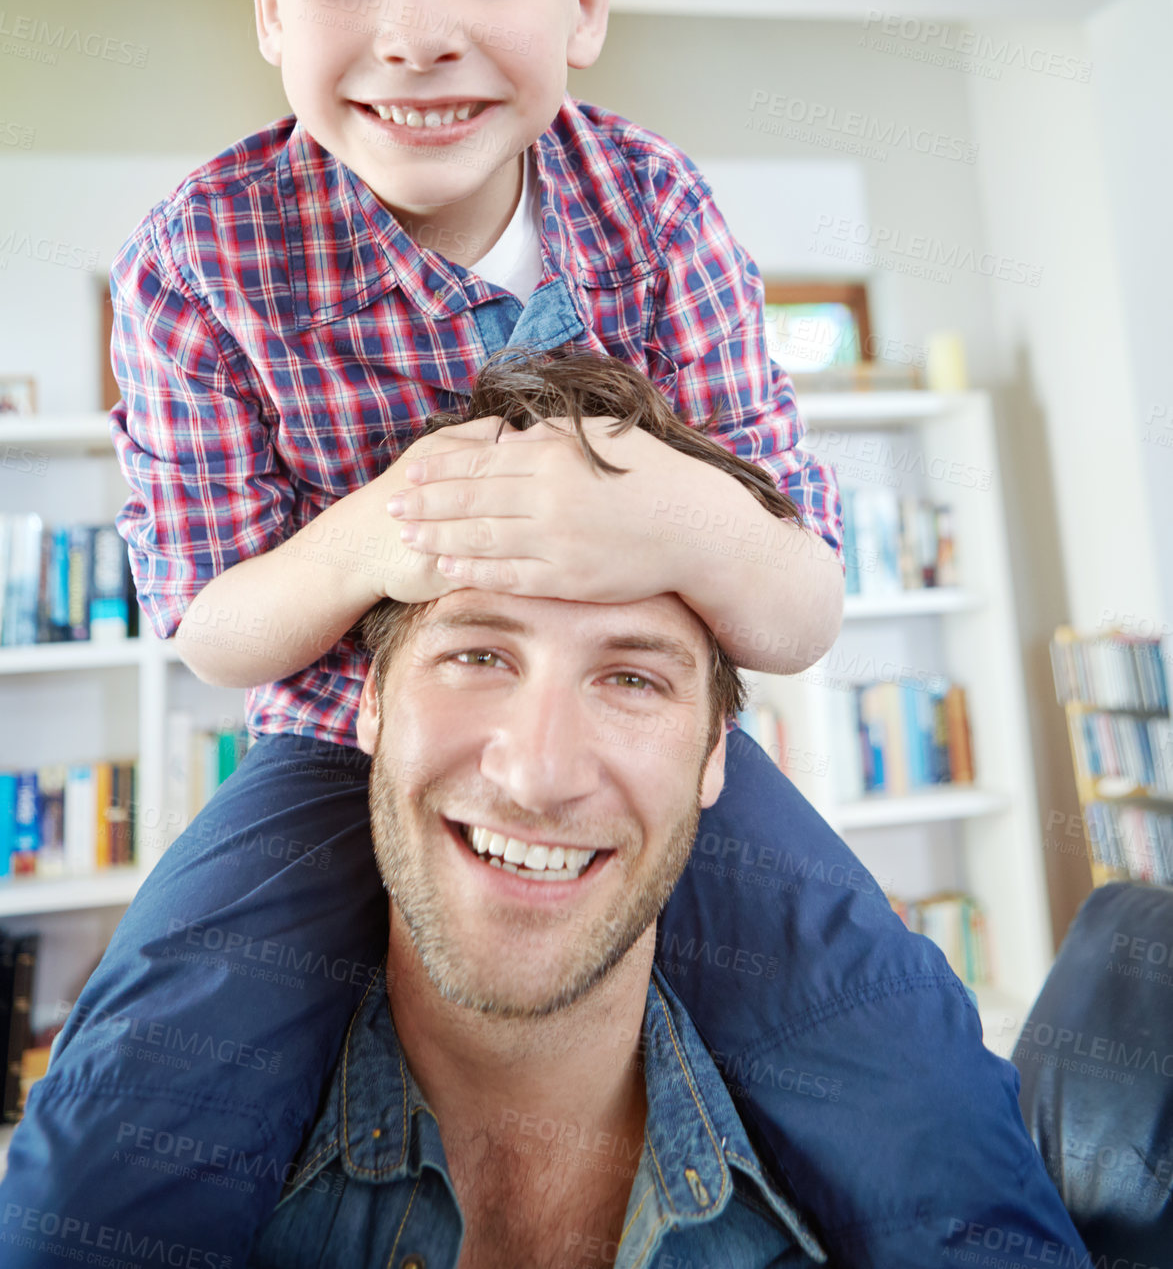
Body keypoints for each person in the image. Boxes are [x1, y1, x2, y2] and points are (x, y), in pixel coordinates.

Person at [0, 0, 1065, 1269]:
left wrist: (623, 506)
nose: (414, 31)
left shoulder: (656, 212)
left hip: (660, 761)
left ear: (585, 1)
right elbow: (210, 621)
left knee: (886, 1029)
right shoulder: (196, 259)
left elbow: (792, 608)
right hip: (330, 750)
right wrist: (385, 534)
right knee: (148, 1054)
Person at [245, 352, 1085, 1266]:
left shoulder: (874, 1181)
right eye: (479, 656)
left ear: (715, 752)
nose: (538, 774)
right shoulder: (171, 1197)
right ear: (370, 703)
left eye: (631, 677)